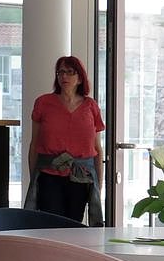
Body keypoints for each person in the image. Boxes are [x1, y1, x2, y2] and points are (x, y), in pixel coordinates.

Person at [24, 55, 105, 225]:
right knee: (51, 224)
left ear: (80, 78)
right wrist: (34, 178)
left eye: (69, 72)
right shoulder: (43, 103)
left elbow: (97, 148)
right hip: (49, 174)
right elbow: (34, 144)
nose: (64, 76)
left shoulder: (91, 106)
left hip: (81, 176)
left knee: (73, 224)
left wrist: (99, 182)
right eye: (60, 72)